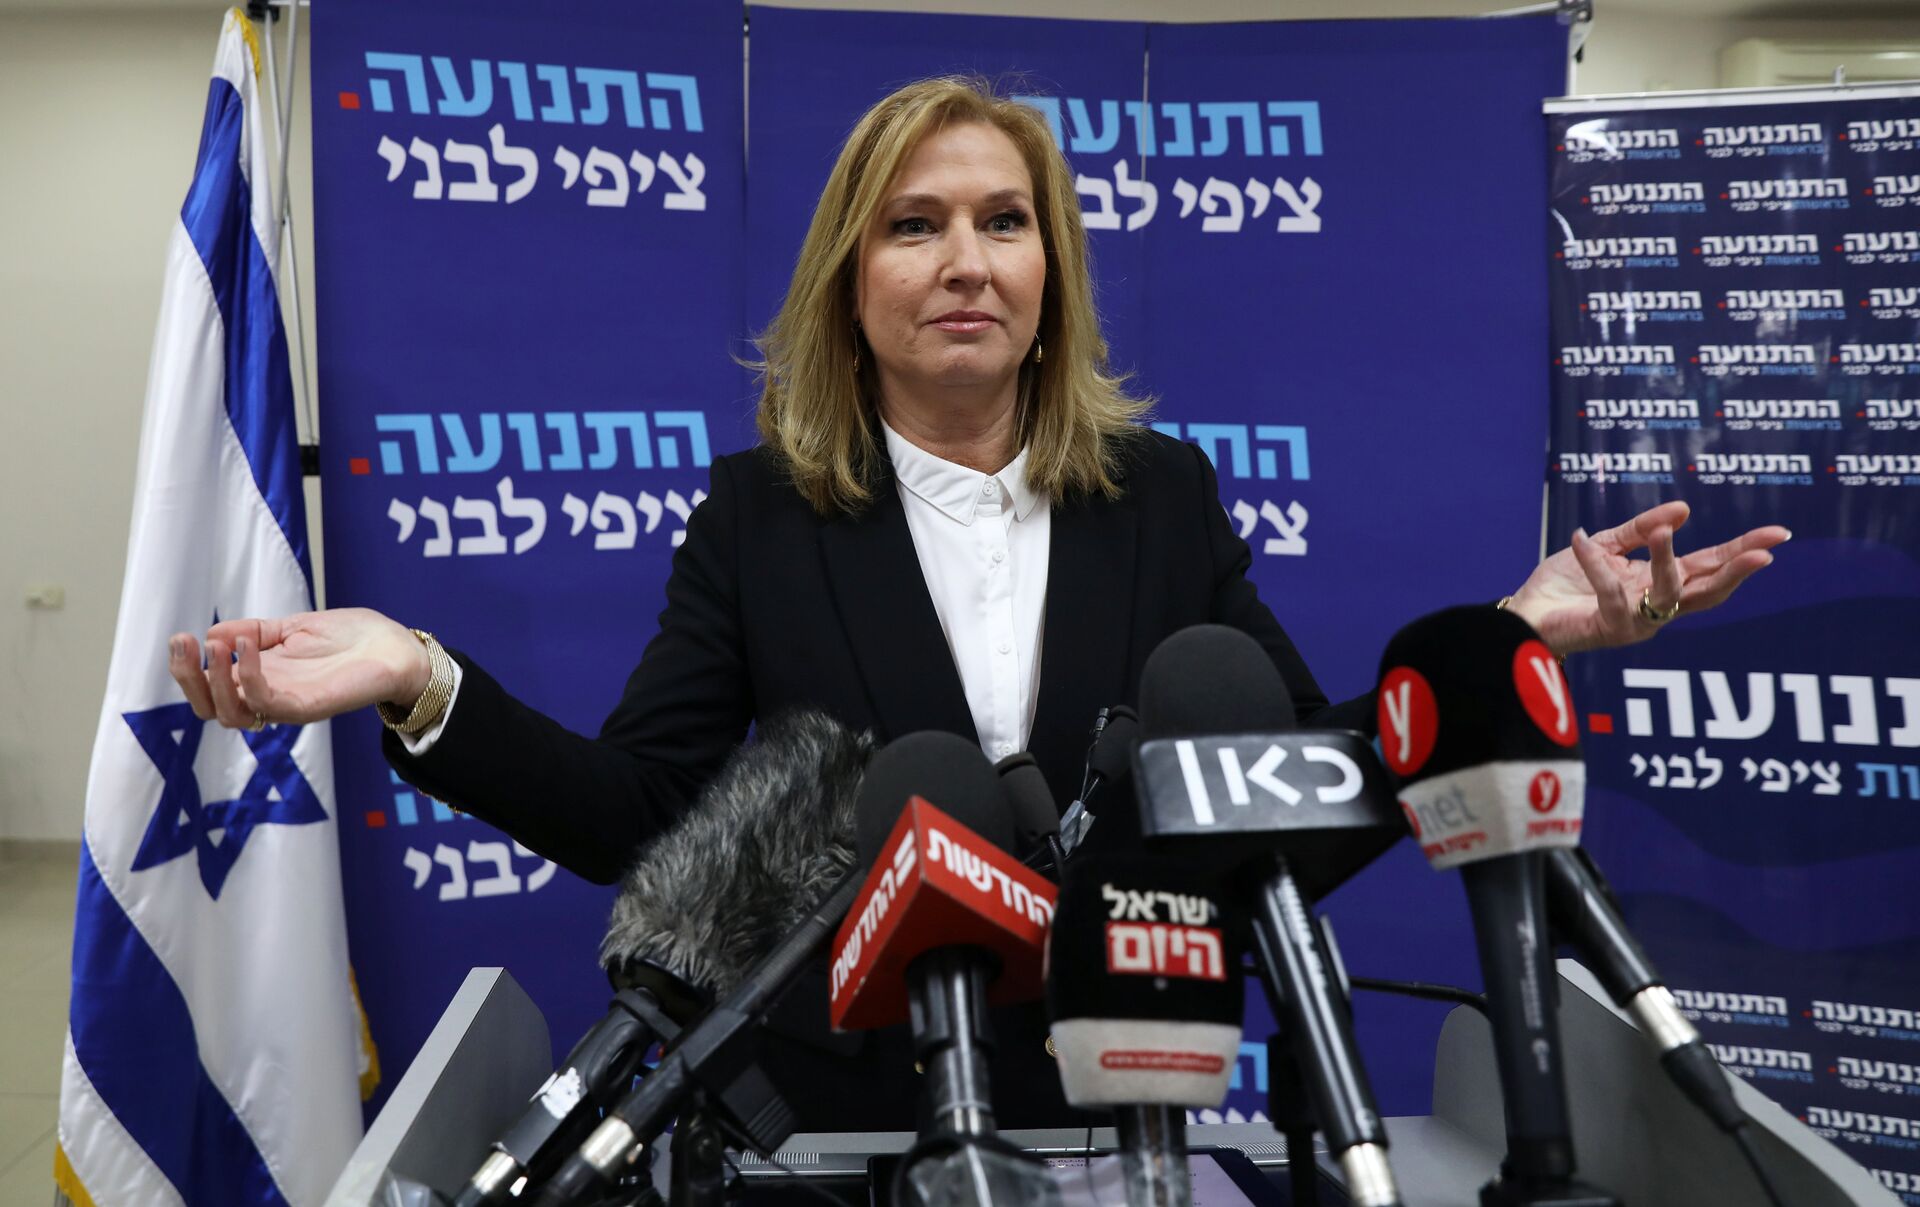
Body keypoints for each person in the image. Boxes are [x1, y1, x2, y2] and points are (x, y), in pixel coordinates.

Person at [168, 77, 1786, 1128]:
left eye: (1005, 223)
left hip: (1125, 1101)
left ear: (1051, 273)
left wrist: (1505, 637)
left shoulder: (1161, 497)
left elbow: (1290, 796)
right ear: (849, 283)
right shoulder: (759, 518)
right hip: (844, 1110)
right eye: (916, 225)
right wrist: (419, 674)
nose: (966, 260)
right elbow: (643, 820)